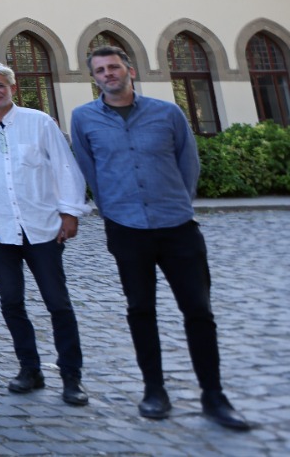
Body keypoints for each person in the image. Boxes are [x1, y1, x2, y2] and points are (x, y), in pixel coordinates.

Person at [71, 47, 251, 431]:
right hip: (126, 228)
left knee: (199, 312)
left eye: (114, 67)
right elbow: (90, 170)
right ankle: (154, 390)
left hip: (177, 228)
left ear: (129, 70)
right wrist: (115, 209)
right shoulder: (83, 118)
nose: (108, 74)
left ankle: (214, 396)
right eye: (100, 70)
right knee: (140, 310)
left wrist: (173, 204)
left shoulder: (167, 112)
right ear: (94, 78)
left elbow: (189, 164)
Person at [0, 64, 89, 406]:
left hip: (42, 227)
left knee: (58, 303)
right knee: (11, 302)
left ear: (12, 88)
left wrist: (70, 212)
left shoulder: (39, 122)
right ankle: (29, 369)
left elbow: (65, 167)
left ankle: (71, 376)